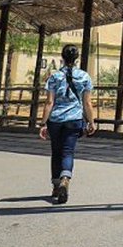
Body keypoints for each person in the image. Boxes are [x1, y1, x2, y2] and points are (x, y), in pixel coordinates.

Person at [38, 45, 96, 204]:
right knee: (68, 151)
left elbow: (49, 102)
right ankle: (65, 178)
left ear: (62, 57)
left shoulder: (54, 77)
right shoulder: (84, 77)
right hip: (74, 119)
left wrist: (43, 124)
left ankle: (56, 187)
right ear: (76, 58)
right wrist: (91, 121)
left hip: (55, 120)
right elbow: (87, 103)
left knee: (56, 152)